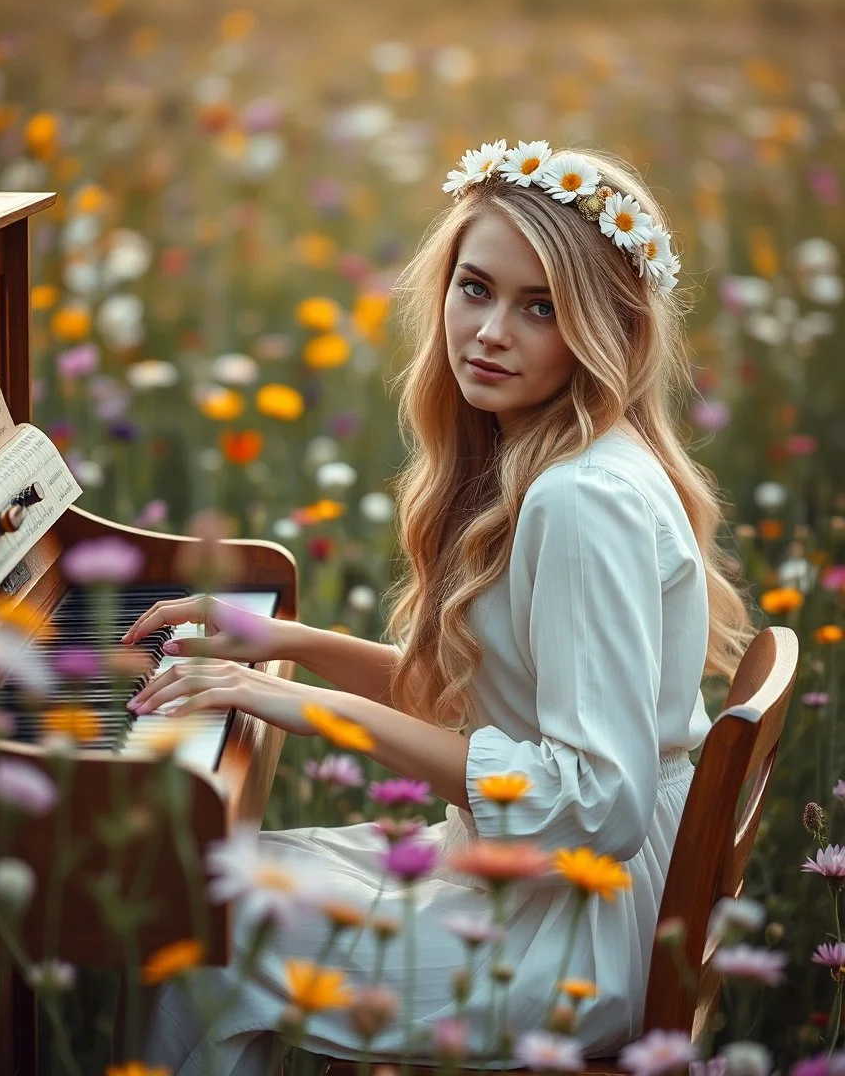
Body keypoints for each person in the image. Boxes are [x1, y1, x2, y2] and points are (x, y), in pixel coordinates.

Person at [122, 138, 754, 1072]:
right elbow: (502, 702)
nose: (491, 331)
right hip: (548, 886)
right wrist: (284, 640)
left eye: (540, 308)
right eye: (475, 288)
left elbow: (598, 803)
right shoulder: (550, 455)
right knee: (213, 888)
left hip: (574, 931)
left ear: (606, 328)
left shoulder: (580, 499)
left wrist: (309, 704)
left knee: (206, 931)